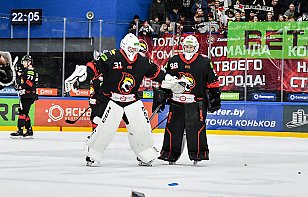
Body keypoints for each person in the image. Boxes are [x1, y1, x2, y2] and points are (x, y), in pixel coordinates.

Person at [65, 33, 182, 167]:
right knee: (105, 129)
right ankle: (93, 154)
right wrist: (83, 73)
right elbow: (95, 67)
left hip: (132, 100)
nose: (133, 51)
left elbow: (158, 74)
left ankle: (145, 154)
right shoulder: (112, 56)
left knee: (142, 128)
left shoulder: (143, 61)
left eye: (135, 48)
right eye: (130, 48)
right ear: (124, 46)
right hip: (111, 99)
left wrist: (172, 81)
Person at [155, 35, 221, 165]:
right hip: (176, 102)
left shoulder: (204, 62)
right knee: (173, 128)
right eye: (186, 46)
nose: (188, 49)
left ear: (195, 47)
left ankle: (198, 154)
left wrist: (215, 97)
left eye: (191, 47)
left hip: (196, 102)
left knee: (196, 129)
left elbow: (212, 83)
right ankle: (170, 154)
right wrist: (161, 95)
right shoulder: (174, 60)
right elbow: (167, 81)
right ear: (182, 47)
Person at [10, 55, 38, 138]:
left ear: (29, 62)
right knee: (25, 112)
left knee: (22, 112)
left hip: (28, 95)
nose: (23, 63)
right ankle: (29, 130)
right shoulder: (27, 71)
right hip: (26, 94)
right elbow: (24, 79)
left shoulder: (30, 71)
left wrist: (20, 86)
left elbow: (29, 83)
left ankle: (20, 130)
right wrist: (19, 74)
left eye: (25, 62)